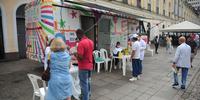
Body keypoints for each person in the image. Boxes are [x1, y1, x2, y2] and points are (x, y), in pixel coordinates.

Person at [75, 29, 94, 100]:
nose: (77, 37)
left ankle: (85, 98)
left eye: (77, 35)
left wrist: (75, 53)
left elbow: (80, 57)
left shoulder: (81, 43)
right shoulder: (91, 41)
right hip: (90, 65)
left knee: (83, 84)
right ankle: (88, 94)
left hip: (83, 66)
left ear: (79, 34)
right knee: (88, 81)